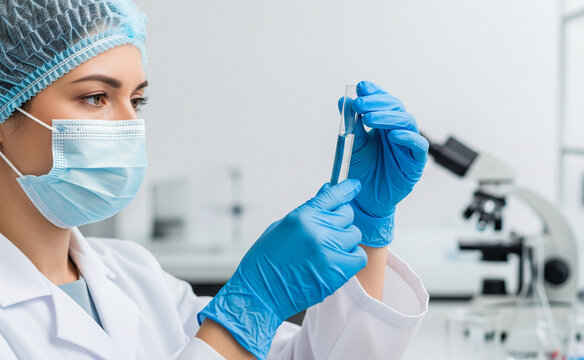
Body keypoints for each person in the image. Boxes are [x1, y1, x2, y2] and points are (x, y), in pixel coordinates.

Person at [0, 1, 430, 359]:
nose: (131, 126)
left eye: (136, 100)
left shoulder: (132, 273)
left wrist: (365, 225)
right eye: (95, 97)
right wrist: (251, 308)